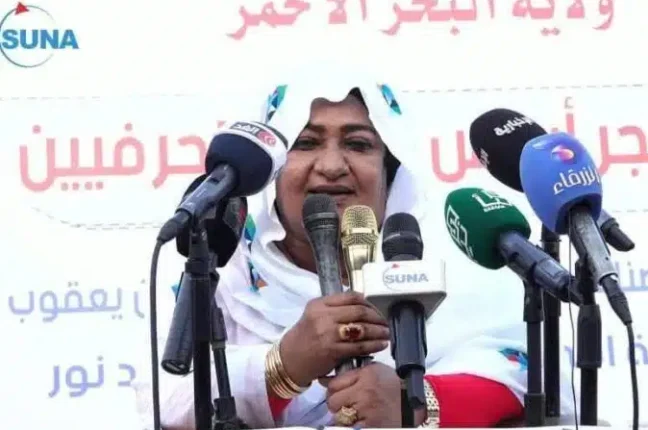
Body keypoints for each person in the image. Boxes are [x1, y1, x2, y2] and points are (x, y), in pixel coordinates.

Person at [158, 65, 575, 428]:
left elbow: (528, 373)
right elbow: (165, 401)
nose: (331, 166)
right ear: (273, 170)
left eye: (358, 144)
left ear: (390, 171)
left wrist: (417, 403)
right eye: (306, 143)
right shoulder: (220, 271)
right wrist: (282, 366)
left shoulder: (450, 259)